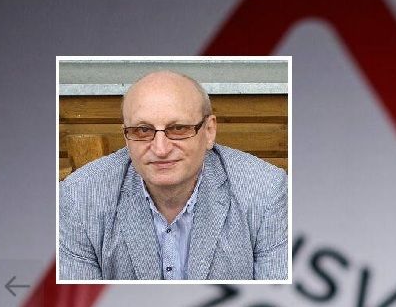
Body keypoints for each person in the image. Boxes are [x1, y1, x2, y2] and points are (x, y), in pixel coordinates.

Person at [58, 70, 288, 281]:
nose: (160, 149)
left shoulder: (266, 192)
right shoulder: (79, 198)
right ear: (126, 137)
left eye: (178, 129)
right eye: (143, 130)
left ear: (209, 131)